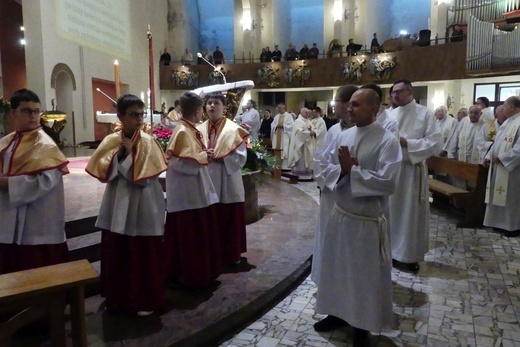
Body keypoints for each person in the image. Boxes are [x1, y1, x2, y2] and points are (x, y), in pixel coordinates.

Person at [312, 88, 402, 347]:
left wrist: (354, 171)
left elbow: (388, 181)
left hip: (366, 222)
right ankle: (336, 314)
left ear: (374, 109)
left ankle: (362, 325)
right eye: (349, 104)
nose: (349, 109)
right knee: (337, 271)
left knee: (363, 277)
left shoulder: (387, 140)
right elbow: (324, 167)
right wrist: (342, 172)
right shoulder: (344, 134)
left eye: (356, 105)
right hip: (341, 216)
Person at [85, 94, 167, 315]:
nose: (139, 120)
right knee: (118, 251)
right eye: (133, 115)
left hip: (144, 204)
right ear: (121, 116)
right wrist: (120, 156)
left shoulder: (149, 142)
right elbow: (105, 173)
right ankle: (117, 296)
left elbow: (145, 179)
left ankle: (144, 299)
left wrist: (128, 156)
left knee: (142, 253)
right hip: (117, 203)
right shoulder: (112, 141)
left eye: (141, 115)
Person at [0, 88, 70, 275]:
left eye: (36, 111)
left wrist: (8, 184)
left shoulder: (45, 144)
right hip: (9, 217)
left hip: (38, 221)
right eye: (26, 111)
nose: (33, 116)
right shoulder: (7, 142)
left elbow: (47, 181)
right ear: (14, 113)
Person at [163, 91, 221, 288]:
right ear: (198, 111)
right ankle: (190, 277)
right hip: (186, 196)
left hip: (192, 194)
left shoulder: (187, 129)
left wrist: (203, 154)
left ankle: (198, 274)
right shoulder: (182, 132)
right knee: (189, 241)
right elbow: (178, 164)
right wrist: (206, 157)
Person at [387, 79, 441, 273]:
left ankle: (408, 256)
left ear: (410, 92)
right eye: (393, 92)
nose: (395, 96)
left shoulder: (425, 113)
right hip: (392, 171)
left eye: (399, 92)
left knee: (409, 215)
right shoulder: (389, 114)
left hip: (412, 170)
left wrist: (407, 143)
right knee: (391, 213)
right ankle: (389, 252)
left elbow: (433, 141)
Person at [312, 85, 358, 288]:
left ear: (347, 104)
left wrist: (344, 171)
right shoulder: (334, 129)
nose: (333, 105)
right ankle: (327, 279)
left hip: (352, 200)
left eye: (336, 101)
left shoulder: (363, 132)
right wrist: (329, 177)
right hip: (331, 194)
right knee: (328, 239)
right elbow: (320, 160)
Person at [197, 92, 249, 265]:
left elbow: (241, 157)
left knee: (228, 218)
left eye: (216, 103)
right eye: (209, 103)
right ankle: (211, 253)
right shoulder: (198, 129)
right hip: (207, 176)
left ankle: (230, 254)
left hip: (227, 179)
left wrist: (222, 157)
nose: (212, 106)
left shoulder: (234, 130)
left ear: (224, 108)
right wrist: (203, 155)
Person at [483, 96, 520, 237]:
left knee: (511, 197)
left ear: (513, 107)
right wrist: (488, 157)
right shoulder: (507, 122)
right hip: (498, 166)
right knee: (498, 195)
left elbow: (519, 149)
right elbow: (496, 143)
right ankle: (499, 223)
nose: (502, 109)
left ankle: (512, 226)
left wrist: (503, 158)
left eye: (505, 106)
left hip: (513, 170)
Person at [287, 107, 315, 180]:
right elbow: (299, 133)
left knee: (308, 158)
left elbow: (313, 129)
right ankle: (299, 176)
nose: (308, 114)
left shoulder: (308, 121)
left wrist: (312, 131)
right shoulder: (298, 121)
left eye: (308, 112)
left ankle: (308, 176)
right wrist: (309, 133)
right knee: (301, 159)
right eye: (306, 112)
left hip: (307, 144)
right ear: (301, 112)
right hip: (301, 145)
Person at [271, 102, 294, 170]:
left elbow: (291, 126)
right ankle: (277, 166)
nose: (279, 109)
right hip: (277, 135)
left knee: (285, 150)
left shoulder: (289, 116)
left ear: (284, 107)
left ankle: (285, 167)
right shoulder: (276, 116)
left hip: (284, 136)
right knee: (277, 150)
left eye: (280, 108)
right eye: (278, 108)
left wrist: (283, 126)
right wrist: (276, 126)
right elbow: (272, 125)